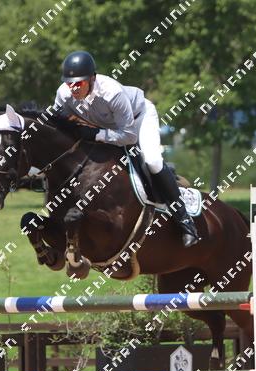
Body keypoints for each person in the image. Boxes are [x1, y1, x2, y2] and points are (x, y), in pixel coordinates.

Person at [52, 50, 199, 247]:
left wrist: (95, 135)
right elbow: (58, 123)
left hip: (138, 120)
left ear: (92, 79)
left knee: (152, 161)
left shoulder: (111, 93)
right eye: (70, 83)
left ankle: (185, 221)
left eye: (79, 83)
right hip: (108, 128)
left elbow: (129, 136)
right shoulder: (64, 94)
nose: (73, 88)